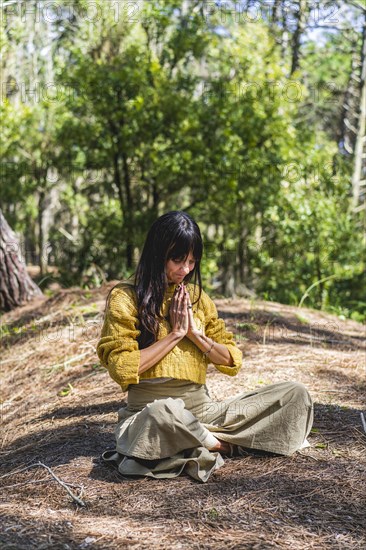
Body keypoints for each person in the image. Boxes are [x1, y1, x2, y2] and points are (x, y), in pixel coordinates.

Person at [96, 211, 313, 482]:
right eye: (177, 260)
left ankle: (202, 438)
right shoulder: (125, 297)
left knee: (294, 394)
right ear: (156, 254)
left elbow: (232, 360)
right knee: (163, 412)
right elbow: (123, 368)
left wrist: (196, 336)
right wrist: (175, 334)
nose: (185, 270)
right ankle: (223, 445)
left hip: (203, 411)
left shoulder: (198, 299)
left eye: (190, 262)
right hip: (150, 413)